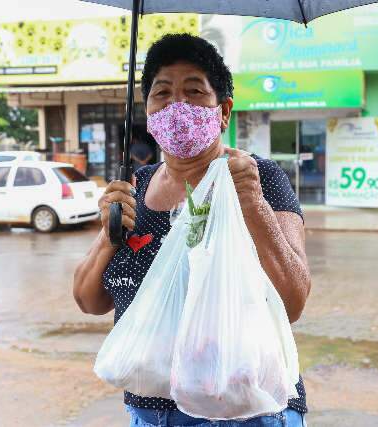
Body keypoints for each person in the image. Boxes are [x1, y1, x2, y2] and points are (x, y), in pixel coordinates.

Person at [73, 33, 311, 427]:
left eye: (194, 92)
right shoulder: (135, 188)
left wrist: (252, 204)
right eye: (161, 93)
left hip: (244, 409)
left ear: (224, 110)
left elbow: (294, 302)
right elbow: (88, 300)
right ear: (147, 111)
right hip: (151, 411)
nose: (176, 105)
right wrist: (108, 237)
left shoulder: (259, 178)